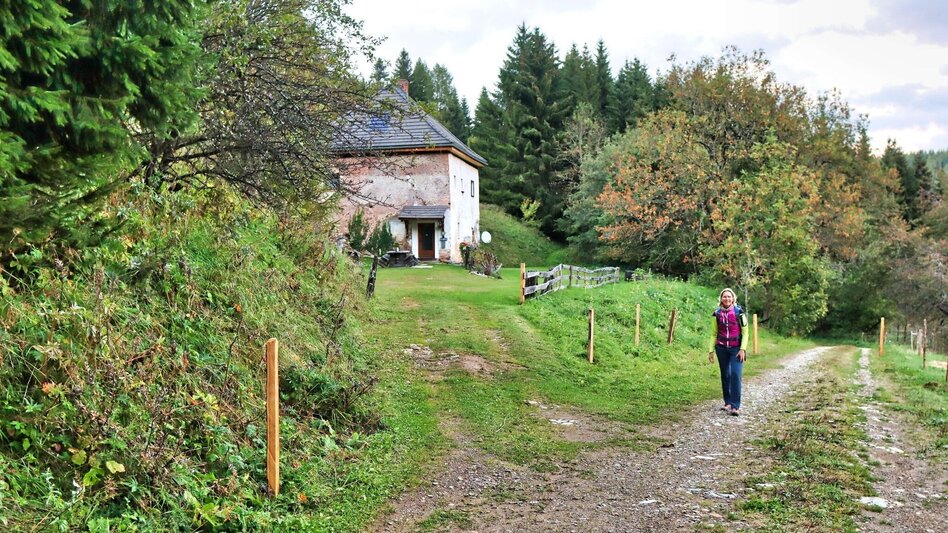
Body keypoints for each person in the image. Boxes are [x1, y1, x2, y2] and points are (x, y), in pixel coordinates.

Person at [708, 288, 748, 416]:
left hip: (736, 349)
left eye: (729, 297)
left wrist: (743, 349)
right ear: (721, 298)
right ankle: (728, 403)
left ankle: (735, 406)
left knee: (735, 375)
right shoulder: (716, 314)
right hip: (721, 348)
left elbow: (746, 332)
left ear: (733, 298)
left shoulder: (739, 313)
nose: (727, 299)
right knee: (725, 375)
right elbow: (713, 334)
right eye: (724, 297)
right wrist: (711, 351)